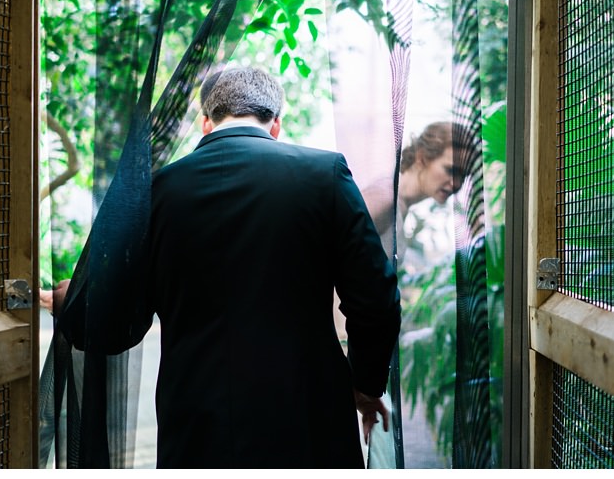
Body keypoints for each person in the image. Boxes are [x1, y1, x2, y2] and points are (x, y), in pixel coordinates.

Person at [47, 65, 400, 467]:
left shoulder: (158, 191)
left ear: (206, 123)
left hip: (197, 422)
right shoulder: (325, 174)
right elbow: (376, 299)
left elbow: (121, 322)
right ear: (276, 124)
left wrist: (74, 301)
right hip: (307, 415)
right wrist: (365, 385)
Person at [360, 120, 476, 241]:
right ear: (421, 157)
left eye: (464, 176)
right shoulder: (386, 199)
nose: (456, 184)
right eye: (450, 170)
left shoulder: (398, 203)